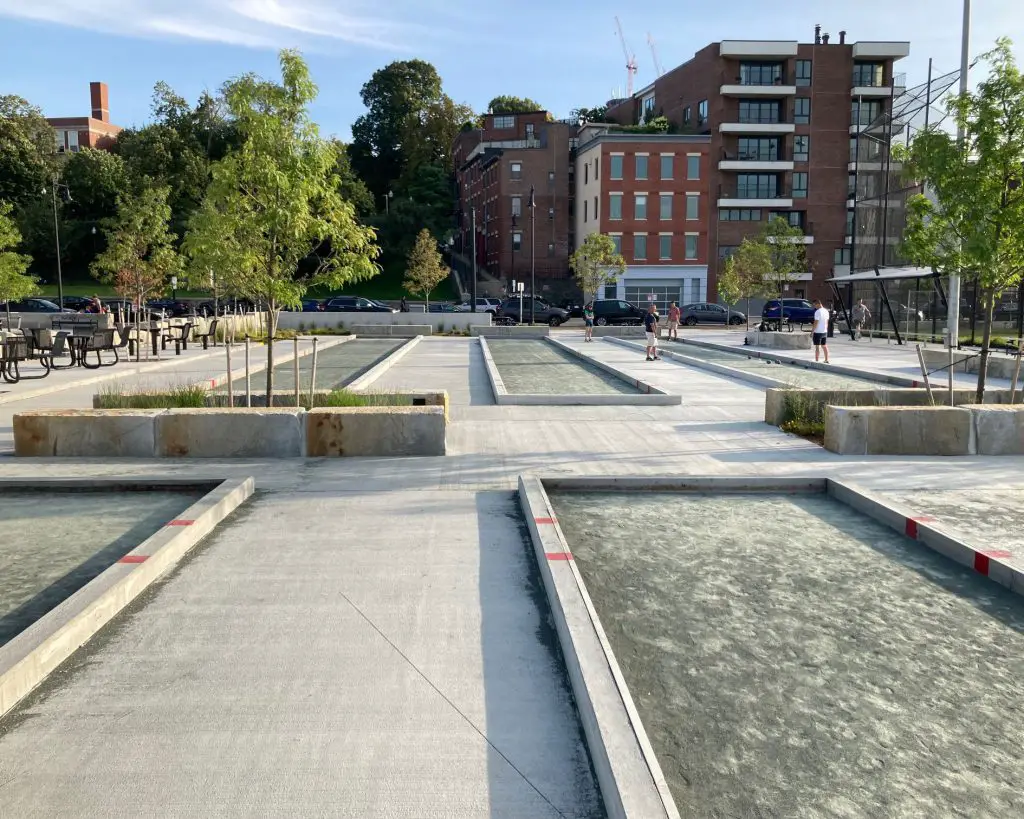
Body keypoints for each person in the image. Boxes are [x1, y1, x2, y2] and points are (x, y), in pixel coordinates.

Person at [812, 299, 830, 363]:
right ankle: (826, 359)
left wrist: (812, 332)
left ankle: (817, 360)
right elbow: (827, 322)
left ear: (818, 304)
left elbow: (816, 322)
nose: (814, 307)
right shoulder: (826, 311)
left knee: (817, 346)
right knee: (824, 345)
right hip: (824, 331)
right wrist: (826, 329)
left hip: (818, 331)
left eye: (815, 305)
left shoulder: (817, 312)